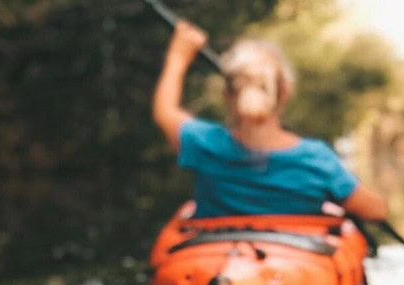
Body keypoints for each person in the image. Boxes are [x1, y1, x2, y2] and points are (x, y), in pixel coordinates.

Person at [152, 21, 388, 221]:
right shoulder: (317, 161)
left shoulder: (205, 144)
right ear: (285, 92)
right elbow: (376, 211)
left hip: (215, 262)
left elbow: (165, 111)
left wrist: (178, 56)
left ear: (226, 96)